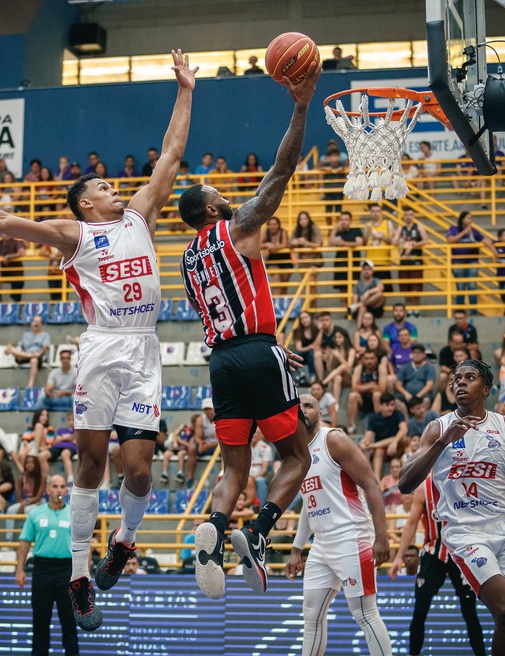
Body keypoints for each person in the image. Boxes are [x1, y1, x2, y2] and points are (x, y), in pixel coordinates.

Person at [0, 52, 196, 631]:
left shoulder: (139, 217)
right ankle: (81, 577)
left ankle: (125, 542)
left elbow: (174, 154)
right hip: (103, 348)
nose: (117, 189)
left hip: (144, 349)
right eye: (106, 187)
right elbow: (2, 222)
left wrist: (185, 90)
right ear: (87, 203)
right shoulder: (74, 234)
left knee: (138, 471)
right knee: (89, 463)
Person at [178, 59, 319, 600]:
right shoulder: (238, 227)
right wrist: (301, 106)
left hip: (223, 364)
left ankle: (213, 530)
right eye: (218, 190)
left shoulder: (189, 261)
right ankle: (257, 533)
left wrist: (267, 348)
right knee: (298, 456)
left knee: (234, 467)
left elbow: (224, 319)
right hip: (259, 353)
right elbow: (282, 169)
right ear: (212, 207)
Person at [399, 359, 505, 656]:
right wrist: (443, 442)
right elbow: (405, 483)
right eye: (456, 378)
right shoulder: (438, 428)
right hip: (465, 533)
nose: (459, 382)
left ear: (486, 389)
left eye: (469, 377)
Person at [285, 394, 391, 656]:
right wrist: (297, 549)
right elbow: (309, 506)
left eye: (308, 406)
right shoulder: (296, 452)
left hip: (351, 537)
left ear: (320, 412)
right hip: (321, 544)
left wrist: (382, 536)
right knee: (311, 615)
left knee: (365, 613)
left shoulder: (333, 439)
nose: (302, 411)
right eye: (297, 407)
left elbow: (371, 485)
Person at [389, 477, 486, 656]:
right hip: (434, 553)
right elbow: (411, 523)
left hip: (461, 552)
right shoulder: (424, 487)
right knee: (419, 612)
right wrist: (399, 557)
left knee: (470, 612)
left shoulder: (465, 481)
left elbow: (480, 518)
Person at [15, 474, 79, 656]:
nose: (59, 490)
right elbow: (25, 542)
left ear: (66, 491)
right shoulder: (35, 513)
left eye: (62, 487)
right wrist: (19, 569)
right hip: (42, 569)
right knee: (40, 621)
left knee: (69, 621)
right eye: (55, 486)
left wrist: (85, 572)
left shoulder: (74, 513)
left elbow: (84, 544)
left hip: (67, 570)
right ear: (47, 490)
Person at [447, 210, 483, 307]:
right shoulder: (454, 229)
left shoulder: (474, 231)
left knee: (472, 286)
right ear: (462, 219)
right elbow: (450, 240)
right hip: (458, 261)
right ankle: (460, 310)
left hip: (472, 261)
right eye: (468, 218)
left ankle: (473, 311)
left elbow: (484, 240)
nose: (470, 220)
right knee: (460, 287)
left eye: (470, 218)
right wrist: (464, 232)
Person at [7, 314, 51, 388]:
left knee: (34, 360)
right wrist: (11, 345)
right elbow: (19, 345)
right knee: (11, 348)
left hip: (38, 356)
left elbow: (45, 347)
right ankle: (30, 355)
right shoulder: (25, 335)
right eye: (35, 322)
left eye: (38, 322)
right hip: (26, 355)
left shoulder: (45, 335)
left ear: (41, 324)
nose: (36, 324)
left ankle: (30, 385)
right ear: (31, 324)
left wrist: (39, 353)